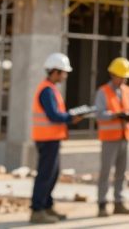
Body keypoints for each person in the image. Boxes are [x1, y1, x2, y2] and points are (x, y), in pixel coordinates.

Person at [30, 52, 86, 224]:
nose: (65, 75)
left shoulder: (51, 89)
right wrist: (70, 117)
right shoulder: (47, 90)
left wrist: (69, 116)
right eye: (63, 72)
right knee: (45, 175)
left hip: (52, 138)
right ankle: (37, 210)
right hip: (47, 139)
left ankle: (47, 206)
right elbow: (53, 115)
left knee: (52, 175)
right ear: (55, 71)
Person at [95, 57, 129, 217]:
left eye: (125, 77)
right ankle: (102, 204)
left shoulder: (128, 91)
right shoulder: (102, 92)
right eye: (121, 76)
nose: (123, 80)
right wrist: (116, 115)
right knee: (106, 172)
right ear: (113, 75)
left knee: (122, 173)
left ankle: (119, 203)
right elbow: (99, 114)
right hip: (109, 138)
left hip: (126, 137)